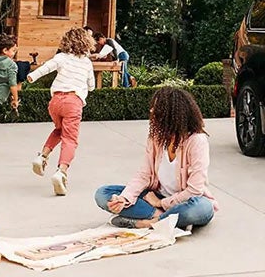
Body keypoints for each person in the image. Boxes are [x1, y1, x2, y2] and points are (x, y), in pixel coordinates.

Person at [94, 87, 217, 229]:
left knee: (202, 209)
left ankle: (150, 222)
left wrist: (160, 203)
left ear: (174, 114)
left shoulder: (196, 141)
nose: (152, 111)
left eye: (157, 108)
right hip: (154, 197)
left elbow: (195, 190)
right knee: (103, 194)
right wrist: (124, 198)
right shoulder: (156, 138)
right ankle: (165, 218)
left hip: (185, 202)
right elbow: (144, 175)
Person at [25, 27, 96, 196]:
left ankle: (42, 156)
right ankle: (61, 172)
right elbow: (91, 85)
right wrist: (86, 86)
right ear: (86, 43)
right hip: (73, 102)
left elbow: (46, 68)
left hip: (55, 102)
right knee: (70, 139)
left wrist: (32, 77)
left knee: (59, 130)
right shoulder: (86, 63)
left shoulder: (61, 57)